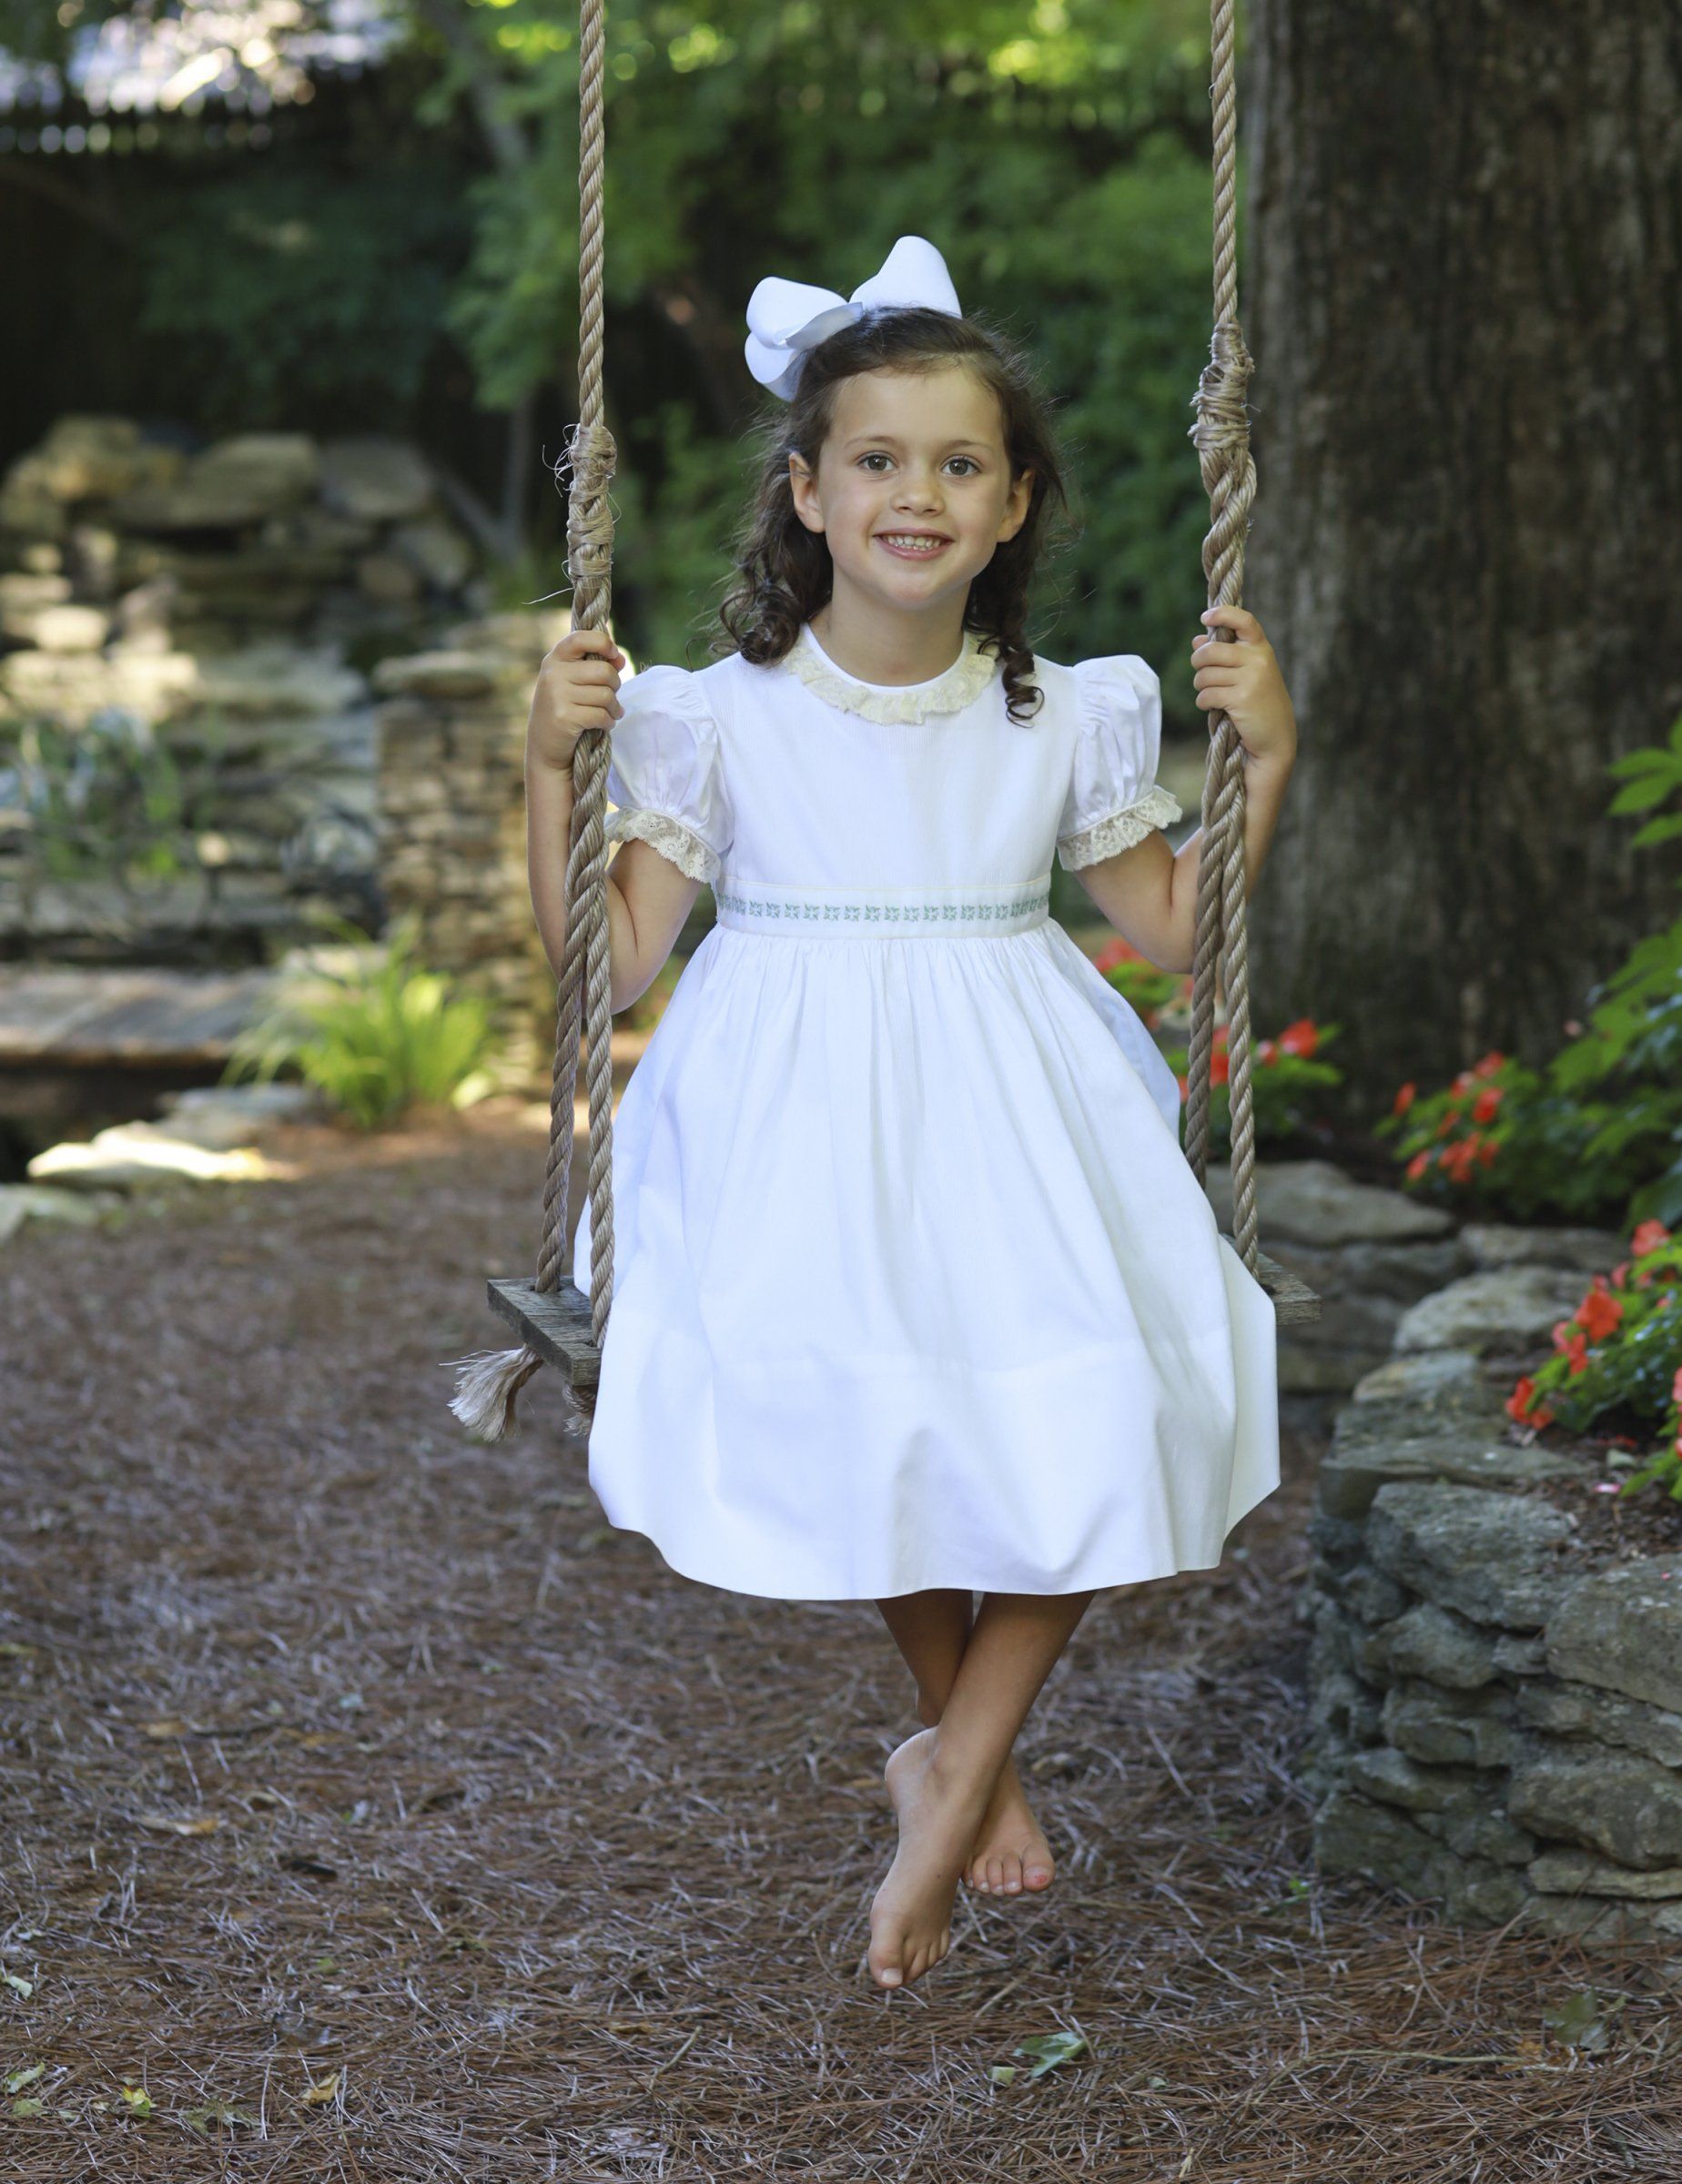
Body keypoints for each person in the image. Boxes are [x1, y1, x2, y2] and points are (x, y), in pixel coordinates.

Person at [523, 237, 1299, 1992]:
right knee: (880, 1420)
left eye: (961, 464)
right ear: (804, 491)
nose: (917, 493)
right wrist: (541, 773)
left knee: (1107, 1405)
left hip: (1017, 1099)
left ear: (1016, 505)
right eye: (876, 458)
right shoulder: (714, 723)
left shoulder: (1066, 713)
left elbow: (1185, 939)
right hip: (796, 1107)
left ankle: (944, 1776)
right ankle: (961, 1755)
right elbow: (613, 967)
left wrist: (1268, 763)